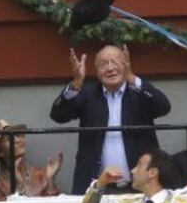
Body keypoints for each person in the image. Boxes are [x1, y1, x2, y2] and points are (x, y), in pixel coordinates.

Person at [50, 45, 171, 195]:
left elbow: (164, 107)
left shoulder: (138, 92)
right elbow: (58, 115)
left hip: (140, 187)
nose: (110, 68)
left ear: (126, 64)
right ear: (96, 71)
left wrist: (131, 77)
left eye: (115, 62)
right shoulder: (88, 93)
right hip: (97, 187)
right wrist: (76, 83)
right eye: (104, 64)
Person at [0, 120, 62, 198]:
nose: (19, 140)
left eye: (19, 135)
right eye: (10, 138)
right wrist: (19, 184)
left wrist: (50, 179)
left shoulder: (40, 175)